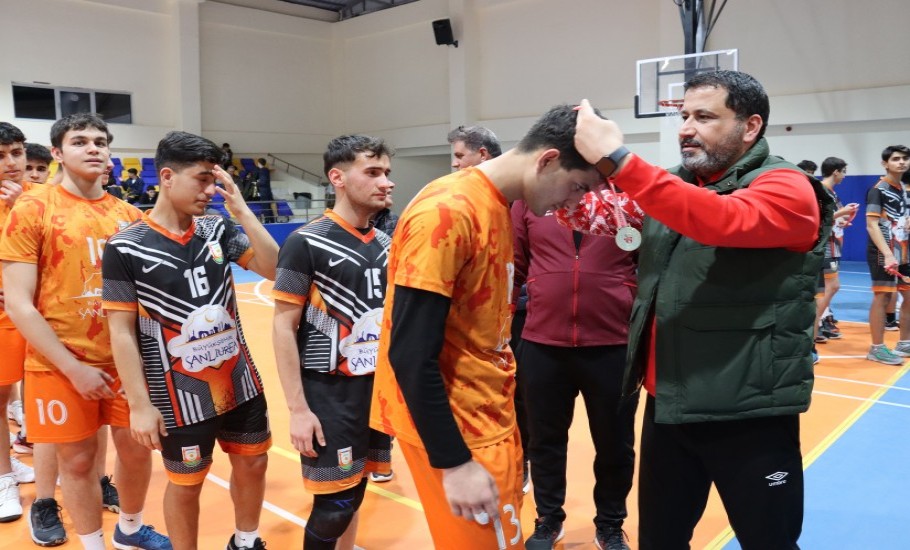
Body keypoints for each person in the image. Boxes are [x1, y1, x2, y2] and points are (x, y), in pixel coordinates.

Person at [571, 70, 832, 549]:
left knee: (769, 542)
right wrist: (560, 168)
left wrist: (619, 159)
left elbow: (721, 218)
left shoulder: (788, 186)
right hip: (670, 402)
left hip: (749, 409)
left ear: (750, 126)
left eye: (705, 117)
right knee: (660, 541)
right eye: (684, 116)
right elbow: (611, 217)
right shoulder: (673, 184)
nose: (686, 128)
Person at [370, 104, 604, 549]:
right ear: (547, 160)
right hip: (462, 430)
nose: (575, 203)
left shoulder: (497, 204)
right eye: (577, 187)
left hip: (490, 416)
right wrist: (454, 461)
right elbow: (410, 352)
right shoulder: (447, 211)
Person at [0, 113, 170, 550]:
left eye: (100, 141)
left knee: (136, 451)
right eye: (80, 141)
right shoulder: (32, 209)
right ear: (57, 152)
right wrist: (73, 368)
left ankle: (129, 529)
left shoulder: (129, 216)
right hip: (58, 364)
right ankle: (93, 544)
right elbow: (19, 303)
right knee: (76, 462)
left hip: (125, 362)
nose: (93, 148)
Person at [103, 131, 277, 550]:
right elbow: (120, 331)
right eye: (202, 179)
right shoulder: (125, 247)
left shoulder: (216, 228)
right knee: (187, 483)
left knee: (254, 462)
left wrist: (242, 211)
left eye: (214, 181)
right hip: (178, 393)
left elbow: (275, 269)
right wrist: (140, 405)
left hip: (239, 380)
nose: (210, 190)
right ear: (167, 177)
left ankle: (246, 541)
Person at [272, 135, 394, 549]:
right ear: (337, 178)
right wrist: (298, 410)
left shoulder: (386, 244)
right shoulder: (305, 242)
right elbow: (282, 327)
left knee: (356, 492)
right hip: (329, 394)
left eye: (387, 173)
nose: (386, 182)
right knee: (334, 506)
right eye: (373, 172)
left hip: (374, 392)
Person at [513, 190, 643, 549]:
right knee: (544, 441)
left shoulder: (628, 198)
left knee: (615, 444)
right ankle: (548, 519)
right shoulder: (532, 199)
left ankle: (610, 524)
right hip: (543, 342)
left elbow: (648, 266)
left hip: (612, 343)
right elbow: (515, 266)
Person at [0, 122, 35, 526]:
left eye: (16, 152)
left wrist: (23, 204)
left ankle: (20, 460)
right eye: (1, 155)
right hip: (3, 315)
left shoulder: (38, 196)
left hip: (42, 313)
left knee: (34, 393)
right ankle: (3, 479)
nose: (11, 162)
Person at [865, 145, 910, 364]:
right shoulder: (879, 189)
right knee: (882, 297)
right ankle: (877, 348)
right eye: (896, 159)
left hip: (903, 250)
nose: (901, 162)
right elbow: (872, 224)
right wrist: (888, 254)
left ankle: (904, 343)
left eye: (905, 158)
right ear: (885, 163)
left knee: (908, 296)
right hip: (883, 251)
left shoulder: (902, 189)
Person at [815, 157, 856, 345]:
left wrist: (843, 220)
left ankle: (820, 323)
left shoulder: (832, 192)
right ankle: (814, 325)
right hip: (825, 246)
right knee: (831, 287)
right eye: (844, 171)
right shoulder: (821, 190)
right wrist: (842, 212)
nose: (844, 176)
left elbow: (832, 219)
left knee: (828, 288)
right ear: (836, 172)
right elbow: (820, 217)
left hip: (834, 244)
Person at [255, 158, 276, 223]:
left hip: (264, 192)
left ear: (259, 163)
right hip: (267, 191)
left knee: (265, 207)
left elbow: (263, 182)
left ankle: (267, 221)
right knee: (268, 207)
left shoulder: (262, 171)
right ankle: (272, 221)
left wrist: (257, 183)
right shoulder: (266, 170)